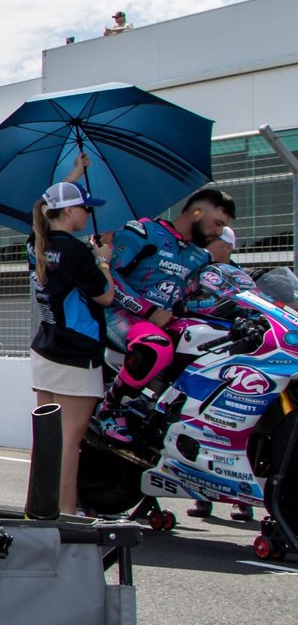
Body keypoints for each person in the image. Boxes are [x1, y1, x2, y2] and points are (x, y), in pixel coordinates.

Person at [99, 186, 236, 441]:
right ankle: (111, 408)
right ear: (196, 212)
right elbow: (109, 279)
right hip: (123, 316)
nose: (219, 232)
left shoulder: (199, 255)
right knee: (156, 346)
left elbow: (231, 288)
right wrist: (149, 311)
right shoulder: (144, 232)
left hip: (164, 323)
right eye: (217, 223)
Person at [28, 180, 116, 516]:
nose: (87, 213)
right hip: (76, 355)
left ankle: (38, 507)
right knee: (68, 442)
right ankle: (64, 512)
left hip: (46, 349)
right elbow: (105, 296)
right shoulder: (77, 252)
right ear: (68, 212)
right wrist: (103, 260)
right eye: (84, 207)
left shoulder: (35, 241)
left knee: (47, 440)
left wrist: (75, 173)